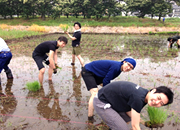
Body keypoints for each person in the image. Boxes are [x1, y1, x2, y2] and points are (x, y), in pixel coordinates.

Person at [93, 81, 174, 130]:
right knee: (123, 128)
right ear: (153, 91)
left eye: (161, 103)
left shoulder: (145, 94)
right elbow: (135, 126)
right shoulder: (139, 98)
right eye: (158, 98)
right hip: (101, 101)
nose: (157, 102)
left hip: (112, 100)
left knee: (127, 118)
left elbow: (130, 113)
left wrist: (144, 123)